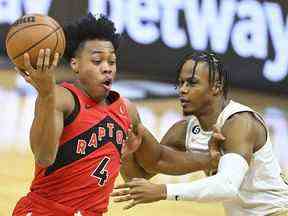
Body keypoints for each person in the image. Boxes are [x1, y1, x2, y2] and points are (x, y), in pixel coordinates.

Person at [12, 14, 221, 216]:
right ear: (75, 63)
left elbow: (156, 160)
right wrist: (47, 94)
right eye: (97, 61)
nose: (107, 69)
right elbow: (44, 157)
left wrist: (207, 160)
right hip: (45, 210)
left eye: (111, 62)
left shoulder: (126, 110)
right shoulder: (61, 98)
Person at [112, 52, 288, 216]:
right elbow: (141, 175)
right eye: (181, 83)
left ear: (216, 87)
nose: (182, 89)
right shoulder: (183, 131)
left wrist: (163, 191)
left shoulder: (240, 123)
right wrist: (126, 152)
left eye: (192, 83)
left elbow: (228, 186)